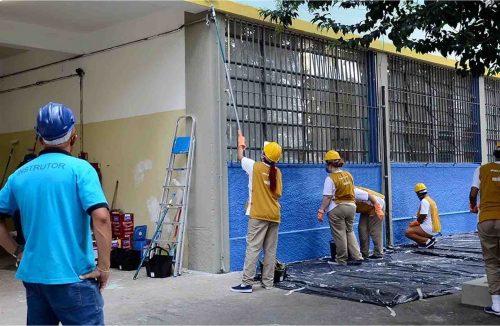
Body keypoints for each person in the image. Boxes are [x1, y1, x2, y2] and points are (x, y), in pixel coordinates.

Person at [0, 102, 112, 325]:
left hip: (34, 279)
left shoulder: (19, 175)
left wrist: (16, 251)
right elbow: (101, 217)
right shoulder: (81, 169)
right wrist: (104, 267)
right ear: (74, 136)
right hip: (75, 277)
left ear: (39, 138)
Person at [231, 130, 283, 293]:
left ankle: (247, 283)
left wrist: (240, 142)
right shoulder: (277, 172)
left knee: (253, 248)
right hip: (274, 215)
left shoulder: (254, 167)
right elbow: (278, 194)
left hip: (258, 214)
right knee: (270, 250)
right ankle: (268, 283)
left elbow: (240, 157)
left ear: (263, 155)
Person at [318, 150, 364, 265]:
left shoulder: (330, 178)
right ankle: (357, 256)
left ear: (329, 164)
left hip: (337, 207)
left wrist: (321, 210)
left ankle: (341, 259)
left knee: (339, 234)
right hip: (351, 207)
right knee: (350, 231)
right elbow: (353, 190)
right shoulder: (348, 175)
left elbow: (327, 197)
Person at [469, 141, 500, 316]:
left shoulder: (482, 170)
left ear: (494, 154)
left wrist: (474, 206)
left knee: (491, 262)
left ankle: (497, 305)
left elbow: (473, 193)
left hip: (486, 219)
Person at [404, 183, 440, 248]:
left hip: (430, 228)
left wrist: (415, 223)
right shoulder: (431, 200)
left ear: (418, 193)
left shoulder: (424, 201)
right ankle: (430, 239)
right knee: (416, 227)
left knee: (408, 232)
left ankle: (427, 242)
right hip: (436, 228)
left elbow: (423, 215)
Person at [355, 186, 385, 259]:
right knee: (362, 229)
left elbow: (369, 196)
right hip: (366, 208)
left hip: (376, 204)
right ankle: (364, 254)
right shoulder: (340, 194)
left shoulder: (354, 192)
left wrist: (378, 208)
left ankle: (378, 253)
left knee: (375, 230)